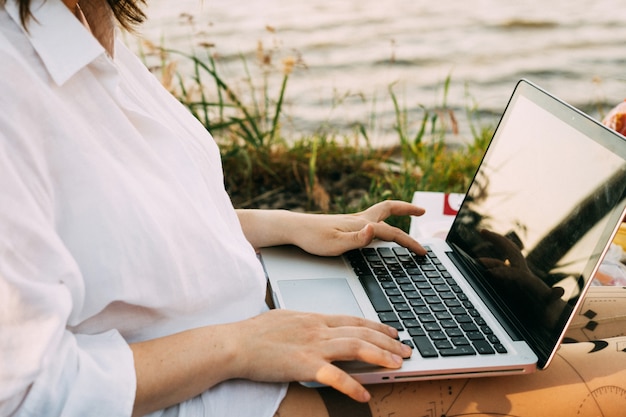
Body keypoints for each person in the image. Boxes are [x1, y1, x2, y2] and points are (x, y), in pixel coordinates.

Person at [0, 1, 624, 417]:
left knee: (573, 310)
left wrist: (294, 228)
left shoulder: (86, 21)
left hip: (263, 331)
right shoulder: (14, 86)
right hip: (231, 393)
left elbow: (123, 226)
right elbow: (28, 392)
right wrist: (237, 345)